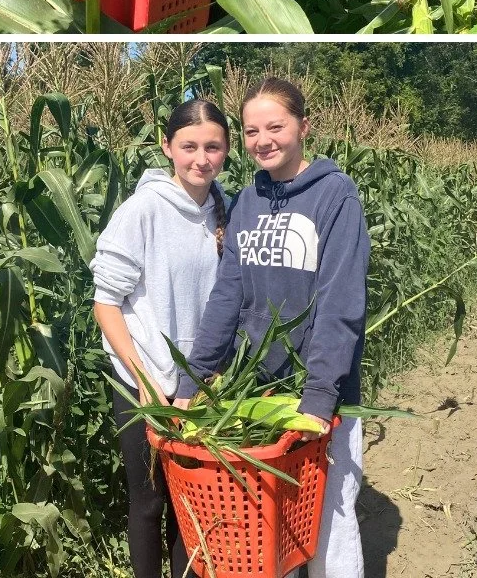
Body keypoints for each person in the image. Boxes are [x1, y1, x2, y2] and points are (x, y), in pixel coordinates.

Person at [174, 78, 370, 578]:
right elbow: (228, 296)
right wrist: (192, 381)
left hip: (320, 395)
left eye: (276, 126)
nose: (263, 139)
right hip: (257, 394)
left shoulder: (335, 195)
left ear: (304, 128)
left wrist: (321, 399)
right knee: (269, 533)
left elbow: (340, 302)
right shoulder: (247, 201)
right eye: (251, 130)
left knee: (328, 525)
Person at [90, 99, 230, 578]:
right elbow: (105, 302)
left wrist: (212, 376)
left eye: (212, 147)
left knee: (191, 503)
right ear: (167, 146)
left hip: (200, 385)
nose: (201, 158)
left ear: (227, 150)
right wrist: (143, 378)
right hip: (141, 382)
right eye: (189, 146)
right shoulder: (144, 210)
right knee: (149, 504)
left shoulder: (223, 210)